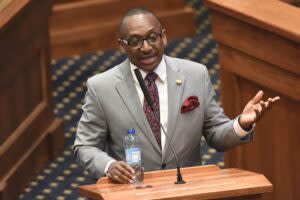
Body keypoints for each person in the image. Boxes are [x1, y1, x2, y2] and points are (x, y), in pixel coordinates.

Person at [73, 8, 280, 184]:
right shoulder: (102, 87)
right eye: (135, 41)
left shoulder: (195, 75)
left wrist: (241, 124)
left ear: (164, 36)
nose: (146, 47)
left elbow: (216, 135)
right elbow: (85, 146)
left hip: (187, 189)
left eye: (152, 38)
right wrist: (109, 166)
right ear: (122, 45)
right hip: (134, 191)